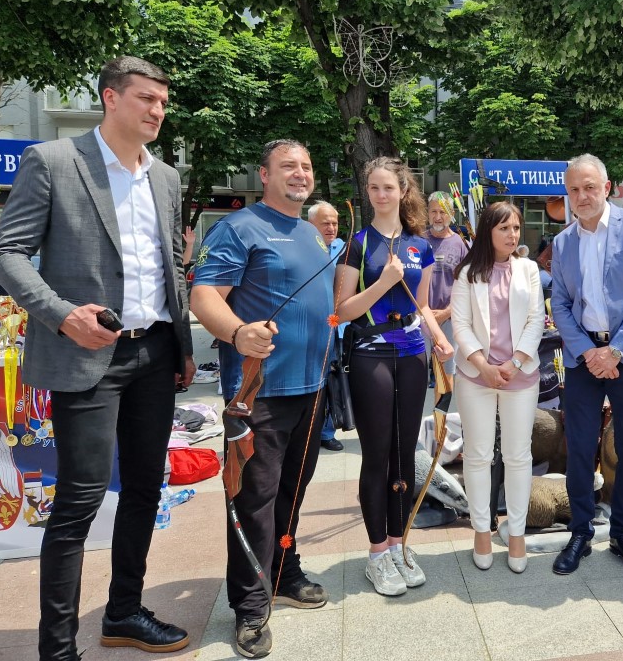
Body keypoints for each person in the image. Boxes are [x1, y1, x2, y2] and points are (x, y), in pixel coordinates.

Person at [0, 56, 196, 660]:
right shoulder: (54, 160)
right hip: (86, 356)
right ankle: (57, 649)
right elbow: (7, 252)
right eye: (146, 98)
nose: (157, 110)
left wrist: (183, 344)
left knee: (145, 488)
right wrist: (61, 314)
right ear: (110, 97)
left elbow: (169, 265)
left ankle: (124, 613)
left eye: (163, 102)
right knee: (79, 499)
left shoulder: (165, 176)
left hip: (155, 351)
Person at [191, 139, 334, 658]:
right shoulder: (238, 228)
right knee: (253, 500)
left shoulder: (311, 233)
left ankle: (284, 572)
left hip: (312, 388)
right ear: (264, 174)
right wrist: (237, 332)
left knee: (292, 493)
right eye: (288, 166)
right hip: (259, 393)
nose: (299, 173)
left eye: (306, 166)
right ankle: (250, 607)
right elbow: (204, 295)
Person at [334, 157, 453, 597]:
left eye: (389, 187)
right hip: (371, 354)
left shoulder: (420, 245)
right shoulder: (357, 244)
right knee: (378, 455)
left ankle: (399, 544)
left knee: (406, 454)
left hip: (413, 354)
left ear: (404, 191)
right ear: (367, 192)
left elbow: (421, 307)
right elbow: (341, 311)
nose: (381, 195)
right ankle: (376, 554)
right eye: (374, 188)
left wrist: (439, 337)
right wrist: (383, 283)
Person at [550, 154, 623, 577]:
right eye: (574, 190)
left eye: (589, 187)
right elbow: (560, 304)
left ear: (607, 187)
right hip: (583, 358)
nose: (581, 196)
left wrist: (614, 352)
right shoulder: (563, 242)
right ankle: (580, 531)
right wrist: (588, 353)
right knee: (579, 448)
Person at [450, 202, 544, 574]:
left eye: (516, 228)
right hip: (476, 377)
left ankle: (516, 533)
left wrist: (513, 363)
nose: (512, 235)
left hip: (520, 375)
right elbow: (460, 325)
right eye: (504, 228)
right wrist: (484, 366)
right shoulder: (468, 273)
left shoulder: (529, 269)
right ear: (488, 231)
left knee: (518, 455)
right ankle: (481, 531)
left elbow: (536, 319)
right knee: (477, 455)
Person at [308, 201, 345, 452]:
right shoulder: (303, 247)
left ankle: (327, 431)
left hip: (341, 328)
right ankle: (309, 431)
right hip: (312, 327)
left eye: (334, 223)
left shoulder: (344, 248)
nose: (331, 227)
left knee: (335, 380)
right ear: (311, 225)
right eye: (325, 223)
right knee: (314, 382)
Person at [424, 191, 469, 379]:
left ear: (451, 213)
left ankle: (441, 402)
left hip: (449, 318)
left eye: (442, 212)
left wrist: (446, 313)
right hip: (421, 319)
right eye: (433, 211)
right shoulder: (419, 241)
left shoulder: (460, 244)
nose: (438, 216)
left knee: (446, 376)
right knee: (417, 372)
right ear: (427, 213)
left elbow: (467, 288)